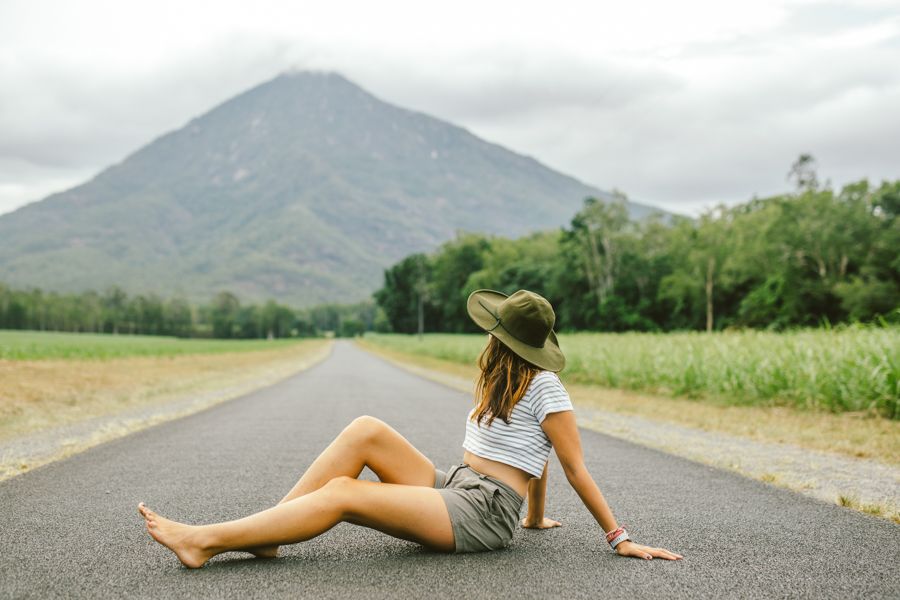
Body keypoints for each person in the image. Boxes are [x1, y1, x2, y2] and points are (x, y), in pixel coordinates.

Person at [138, 289, 682, 567]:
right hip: (458, 485)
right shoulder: (501, 379)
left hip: (484, 513)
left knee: (345, 494)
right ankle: (270, 536)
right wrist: (536, 519)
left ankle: (205, 541)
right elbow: (532, 459)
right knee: (365, 429)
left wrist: (621, 539)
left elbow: (571, 466)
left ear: (499, 335)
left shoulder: (547, 390)